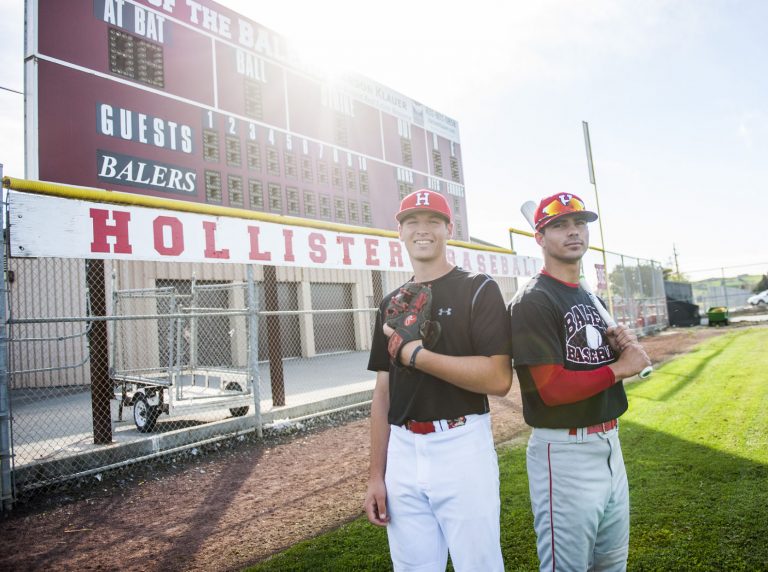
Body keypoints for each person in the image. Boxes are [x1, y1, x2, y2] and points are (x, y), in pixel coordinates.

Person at [363, 189, 513, 571]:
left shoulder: (478, 287)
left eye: (433, 220)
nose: (422, 229)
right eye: (411, 221)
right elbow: (383, 393)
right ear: (400, 232)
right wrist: (375, 476)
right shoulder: (391, 302)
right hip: (402, 450)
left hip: (461, 443)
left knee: (478, 565)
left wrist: (418, 355)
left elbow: (498, 378)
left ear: (449, 229)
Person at [508, 192, 652, 571]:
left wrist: (618, 349)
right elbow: (551, 390)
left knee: (611, 564)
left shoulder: (588, 297)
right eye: (559, 225)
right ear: (539, 237)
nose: (573, 232)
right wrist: (622, 368)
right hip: (565, 453)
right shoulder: (533, 302)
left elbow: (590, 364)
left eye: (579, 223)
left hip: (610, 444)